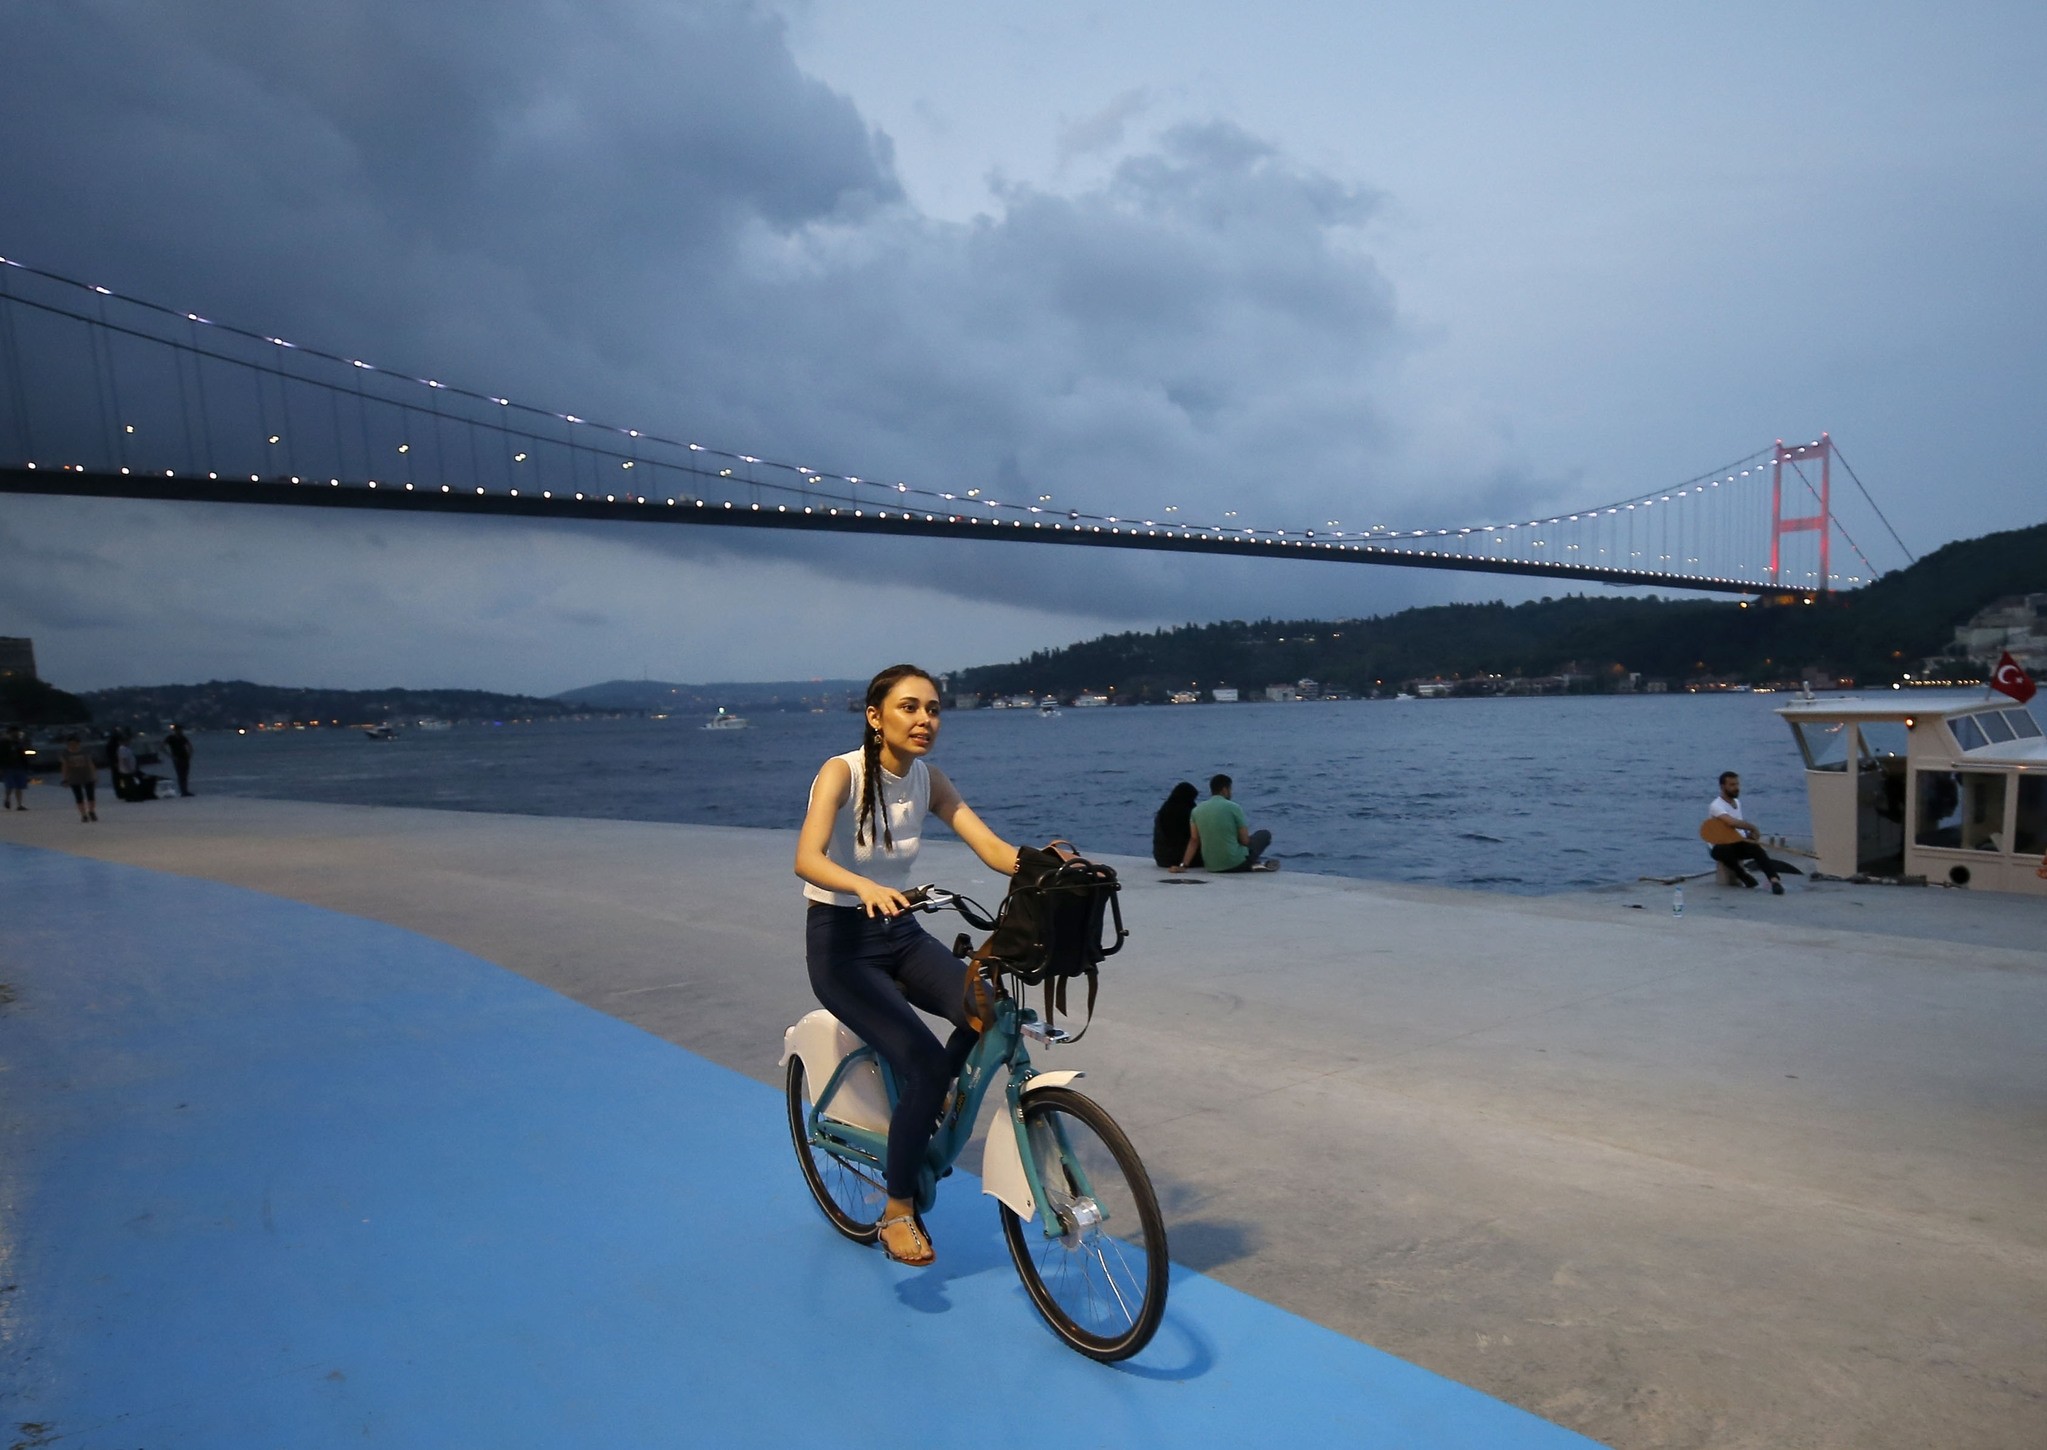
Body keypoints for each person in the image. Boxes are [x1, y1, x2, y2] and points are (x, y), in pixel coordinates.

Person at [794, 663, 1021, 1269]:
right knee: (921, 1060)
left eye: (934, 709)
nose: (925, 720)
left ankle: (934, 1094)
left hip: (901, 930)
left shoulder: (929, 779)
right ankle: (897, 1211)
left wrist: (1047, 864)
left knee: (989, 1010)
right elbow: (807, 857)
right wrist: (860, 887)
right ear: (876, 717)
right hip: (841, 944)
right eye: (909, 708)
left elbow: (994, 848)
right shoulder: (841, 772)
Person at [1705, 771, 1790, 894]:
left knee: (1757, 849)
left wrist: (1748, 835)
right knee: (1725, 849)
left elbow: (1738, 825)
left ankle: (1774, 880)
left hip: (1736, 841)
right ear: (1723, 787)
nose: (1736, 788)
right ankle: (1743, 875)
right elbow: (1732, 822)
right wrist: (1753, 828)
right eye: (1732, 785)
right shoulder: (1716, 806)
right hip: (1717, 846)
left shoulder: (1737, 803)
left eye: (1737, 784)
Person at [1171, 773, 1275, 873]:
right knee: (1264, 834)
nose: (1231, 793)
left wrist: (1183, 865)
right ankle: (1250, 864)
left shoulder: (1196, 810)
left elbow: (1194, 840)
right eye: (1230, 789)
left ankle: (1250, 863)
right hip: (1235, 863)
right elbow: (1245, 841)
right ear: (1225, 790)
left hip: (1211, 866)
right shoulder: (1234, 807)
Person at [1152, 781, 1198, 868]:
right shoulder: (1187, 812)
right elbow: (1194, 838)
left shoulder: (1163, 810)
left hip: (1161, 859)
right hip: (1177, 859)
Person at [59, 734, 98, 823]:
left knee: (90, 796)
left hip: (87, 775)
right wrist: (65, 778)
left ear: (78, 744)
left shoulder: (85, 752)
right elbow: (64, 766)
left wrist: (94, 775)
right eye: (70, 744)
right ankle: (83, 814)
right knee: (78, 797)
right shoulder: (65, 754)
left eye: (74, 744)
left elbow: (91, 764)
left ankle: (91, 811)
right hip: (74, 777)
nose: (72, 746)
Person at [1, 725, 28, 810]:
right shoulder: (3, 743)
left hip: (19, 767)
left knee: (19, 786)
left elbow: (23, 755)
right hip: (8, 767)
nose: (16, 734)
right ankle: (7, 799)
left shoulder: (18, 743)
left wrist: (26, 765)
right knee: (10, 786)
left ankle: (19, 804)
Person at [165, 723, 194, 797]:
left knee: (184, 775)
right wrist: (170, 756)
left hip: (184, 757)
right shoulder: (170, 738)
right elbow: (162, 747)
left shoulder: (182, 738)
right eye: (179, 730)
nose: (180, 731)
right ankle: (183, 791)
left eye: (180, 730)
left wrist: (189, 755)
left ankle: (184, 790)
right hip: (177, 758)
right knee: (181, 775)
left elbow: (190, 747)